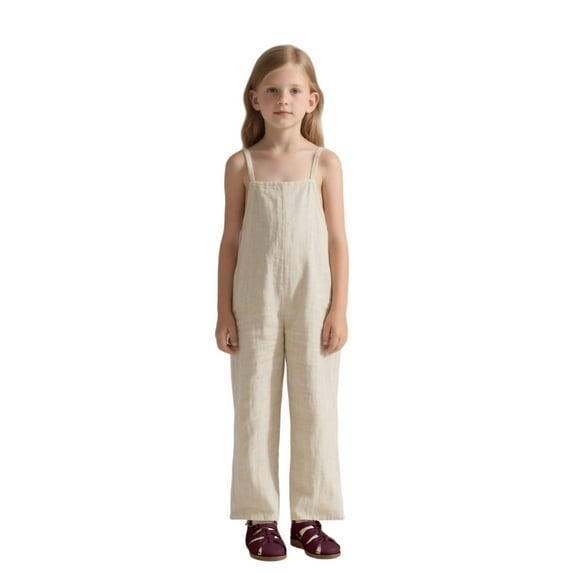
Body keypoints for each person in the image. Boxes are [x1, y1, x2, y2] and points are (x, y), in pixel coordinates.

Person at [215, 44, 349, 561]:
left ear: (313, 99)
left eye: (294, 90)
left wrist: (338, 309)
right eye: (272, 90)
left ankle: (308, 516)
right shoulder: (242, 165)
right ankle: (260, 516)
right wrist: (224, 311)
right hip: (254, 299)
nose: (283, 99)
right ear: (255, 99)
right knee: (254, 404)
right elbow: (230, 240)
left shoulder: (325, 163)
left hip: (313, 298)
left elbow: (337, 239)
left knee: (316, 404)